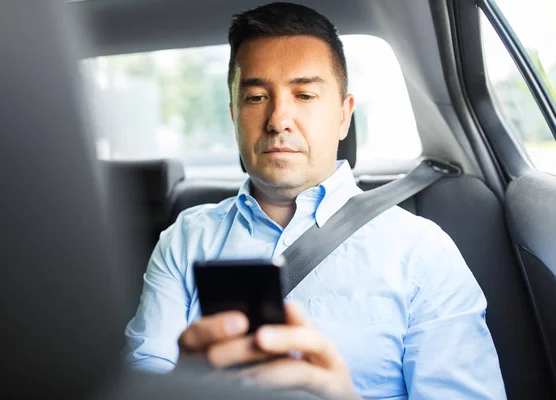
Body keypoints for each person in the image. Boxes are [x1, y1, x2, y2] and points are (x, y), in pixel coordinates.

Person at [124, 2, 506, 399]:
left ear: (344, 115)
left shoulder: (421, 252)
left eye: (304, 95)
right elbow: (142, 375)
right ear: (235, 113)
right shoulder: (185, 238)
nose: (278, 120)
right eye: (256, 97)